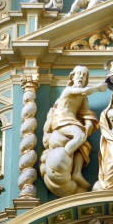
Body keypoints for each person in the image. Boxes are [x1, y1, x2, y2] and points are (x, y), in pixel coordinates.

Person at [40, 66, 106, 196]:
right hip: (61, 120)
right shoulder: (69, 90)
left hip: (72, 122)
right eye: (79, 74)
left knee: (84, 145)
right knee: (80, 136)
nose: (81, 77)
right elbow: (85, 91)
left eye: (84, 75)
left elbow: (86, 113)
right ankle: (63, 156)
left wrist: (88, 126)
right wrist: (98, 88)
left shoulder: (83, 97)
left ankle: (76, 173)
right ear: (72, 77)